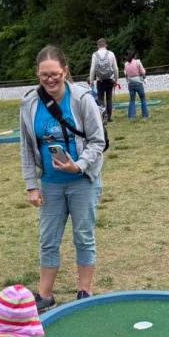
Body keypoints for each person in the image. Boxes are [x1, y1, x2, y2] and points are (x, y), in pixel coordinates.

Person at [20, 44, 105, 313]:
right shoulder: (30, 103)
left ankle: (85, 290)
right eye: (44, 74)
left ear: (65, 71)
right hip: (50, 183)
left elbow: (97, 141)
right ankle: (45, 295)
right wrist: (31, 185)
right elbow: (24, 146)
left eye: (55, 73)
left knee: (83, 235)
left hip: (82, 181)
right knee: (48, 239)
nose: (50, 79)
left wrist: (78, 166)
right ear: (37, 74)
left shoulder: (82, 99)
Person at [88, 38, 119, 122]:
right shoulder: (111, 54)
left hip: (100, 80)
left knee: (101, 99)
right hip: (109, 79)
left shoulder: (95, 55)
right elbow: (115, 68)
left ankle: (103, 115)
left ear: (97, 46)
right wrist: (116, 80)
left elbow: (92, 69)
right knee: (109, 99)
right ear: (106, 45)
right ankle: (109, 117)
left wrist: (91, 82)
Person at [123, 50, 149, 120]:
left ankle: (131, 117)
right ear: (134, 56)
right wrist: (144, 71)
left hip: (130, 83)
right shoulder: (138, 62)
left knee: (132, 100)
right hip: (138, 82)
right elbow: (143, 72)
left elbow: (125, 74)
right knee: (143, 99)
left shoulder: (126, 64)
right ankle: (145, 116)